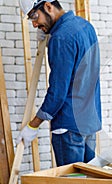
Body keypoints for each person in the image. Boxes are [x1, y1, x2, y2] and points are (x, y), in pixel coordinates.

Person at [17, 0, 102, 166]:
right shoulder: (86, 26)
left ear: (48, 6)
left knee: (71, 183)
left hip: (68, 126)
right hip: (89, 122)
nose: (34, 24)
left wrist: (33, 126)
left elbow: (57, 93)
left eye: (35, 16)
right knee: (90, 181)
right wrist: (49, 35)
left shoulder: (61, 38)